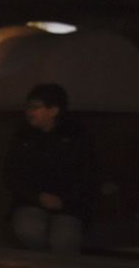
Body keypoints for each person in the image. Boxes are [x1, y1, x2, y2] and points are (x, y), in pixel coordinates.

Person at [5, 82, 96, 255]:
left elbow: (87, 175)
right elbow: (11, 174)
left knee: (64, 239)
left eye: (36, 107)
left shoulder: (76, 137)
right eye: (28, 107)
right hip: (31, 201)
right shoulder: (24, 136)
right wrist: (38, 196)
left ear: (54, 110)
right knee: (29, 230)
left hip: (70, 205)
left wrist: (64, 199)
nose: (29, 112)